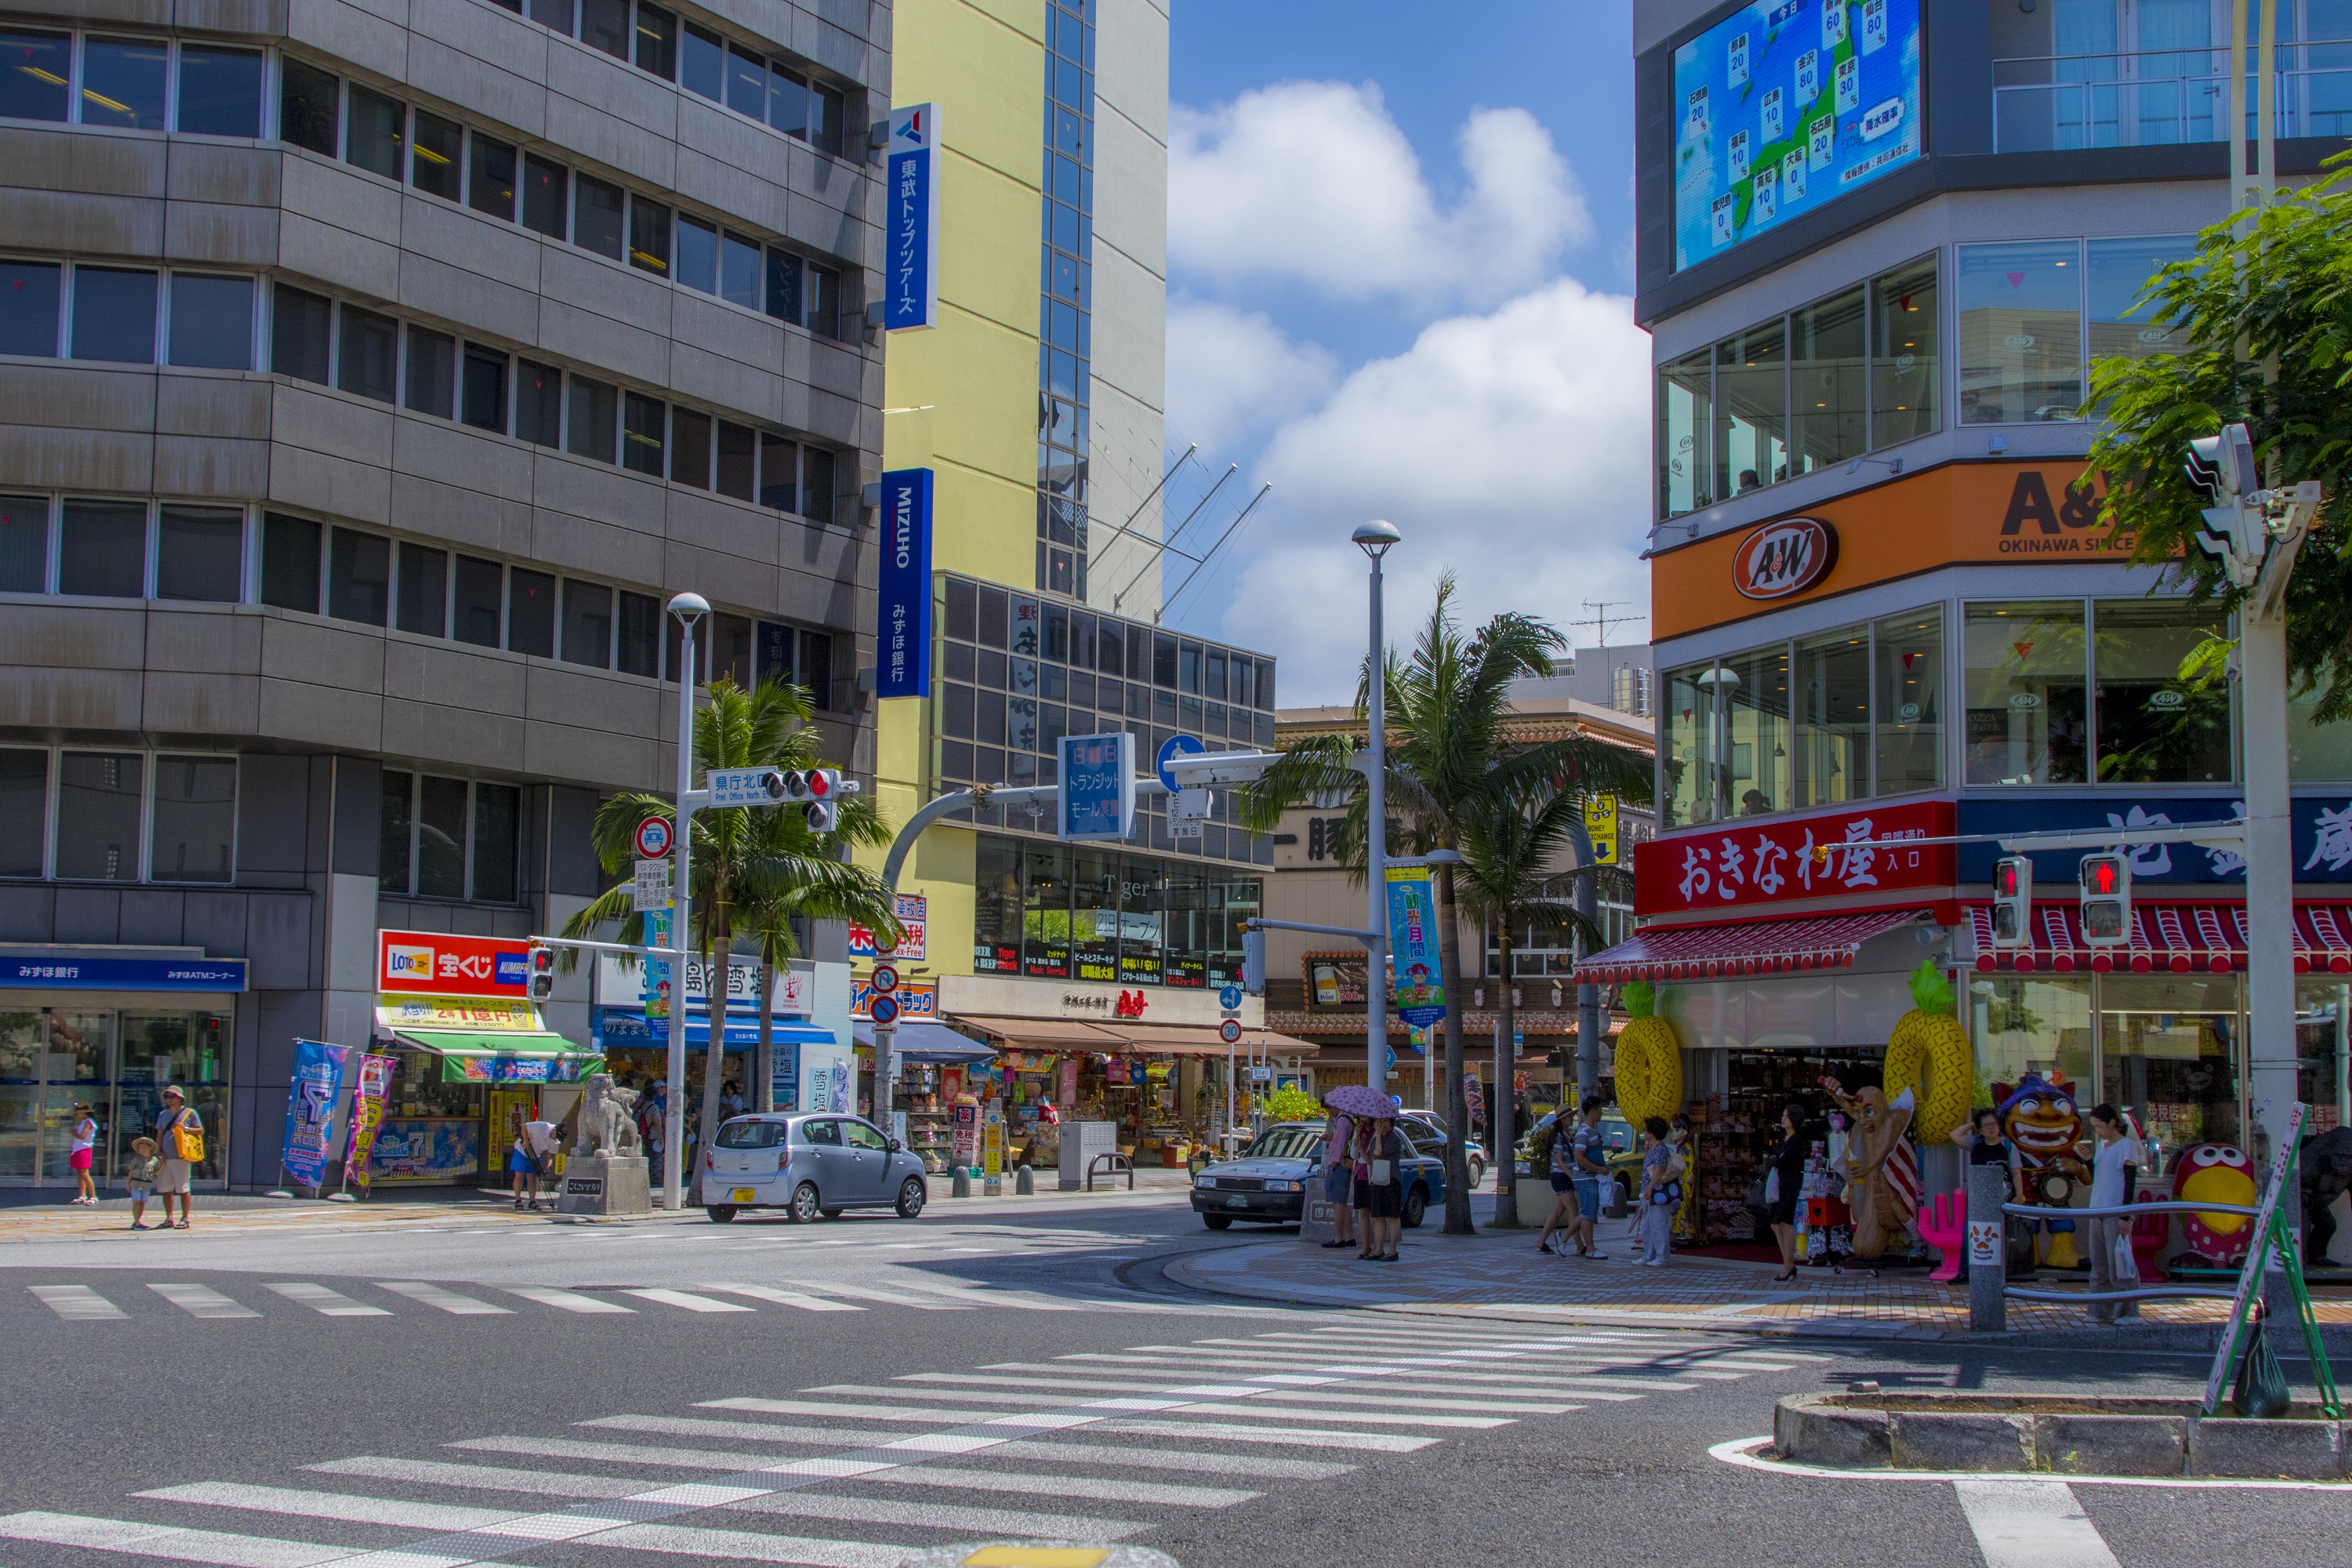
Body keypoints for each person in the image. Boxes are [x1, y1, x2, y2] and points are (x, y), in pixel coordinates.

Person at [2083, 1102, 2143, 1326]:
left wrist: (2126, 1215)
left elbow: (2130, 1181)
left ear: (2112, 1124)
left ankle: (2129, 1311)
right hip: (2097, 1209)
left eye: (2100, 1127)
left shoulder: (2126, 1146)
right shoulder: (2102, 1146)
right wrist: (2088, 1160)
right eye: (2095, 1127)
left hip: (2115, 1211)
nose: (2098, 1132)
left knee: (2119, 1261)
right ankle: (2101, 1309)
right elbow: (2097, 1176)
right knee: (2099, 1264)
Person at [1954, 1107, 2013, 1282]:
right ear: (1980, 1129)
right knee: (1969, 1233)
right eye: (1986, 1126)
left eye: (1993, 1124)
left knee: (1999, 1234)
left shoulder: (2008, 1145)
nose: (1991, 1128)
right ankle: (1965, 1272)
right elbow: (1954, 1136)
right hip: (1978, 1197)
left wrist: (2019, 1194)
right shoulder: (1974, 1143)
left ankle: (1999, 1273)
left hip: (2002, 1197)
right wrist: (1971, 1124)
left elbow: (2016, 1172)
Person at [1763, 1102, 1809, 1282]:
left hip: (1790, 1185)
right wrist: (1777, 1159)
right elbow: (1775, 1157)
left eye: (1787, 1116)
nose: (1783, 1119)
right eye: (1783, 1115)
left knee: (1785, 1222)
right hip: (1778, 1185)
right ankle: (1787, 1262)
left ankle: (1789, 1264)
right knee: (1775, 1223)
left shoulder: (1797, 1140)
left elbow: (1781, 1160)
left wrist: (1777, 1159)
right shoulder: (1783, 1138)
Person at [1568, 1097, 1612, 1259]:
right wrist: (1598, 1169)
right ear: (1593, 1111)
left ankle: (1564, 1238)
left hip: (1588, 1177)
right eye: (1600, 1110)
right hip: (1585, 1178)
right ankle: (1591, 1248)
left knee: (1588, 1212)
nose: (1601, 1114)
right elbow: (1579, 1157)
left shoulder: (1589, 1132)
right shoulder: (1584, 1132)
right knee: (1587, 1214)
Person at [1359, 1113, 1405, 1263]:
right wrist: (1359, 1147)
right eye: (1379, 1121)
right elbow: (1371, 1160)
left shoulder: (1394, 1138)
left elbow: (1380, 1153)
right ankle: (1378, 1249)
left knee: (1392, 1216)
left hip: (1391, 1180)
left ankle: (1393, 1250)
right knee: (1378, 1216)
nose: (1381, 1124)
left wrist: (1378, 1135)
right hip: (1377, 1180)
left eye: (1384, 1121)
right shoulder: (1377, 1138)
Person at [153, 1087, 200, 1229]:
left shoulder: (190, 1113)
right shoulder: (163, 1114)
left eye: (172, 1096)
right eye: (167, 1096)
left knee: (183, 1188)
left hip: (182, 1156)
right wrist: (158, 1151)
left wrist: (185, 1128)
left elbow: (200, 1130)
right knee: (165, 1189)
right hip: (166, 1158)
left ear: (180, 1098)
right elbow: (160, 1134)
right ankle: (169, 1218)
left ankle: (185, 1218)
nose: (169, 1099)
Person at [1637, 1116, 1680, 1267]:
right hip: (1651, 1193)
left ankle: (1662, 1256)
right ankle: (1649, 1254)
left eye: (1647, 1129)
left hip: (1657, 1193)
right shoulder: (1653, 1149)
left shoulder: (1660, 1149)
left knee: (1658, 1224)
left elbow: (1659, 1169)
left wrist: (1649, 1187)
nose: (1644, 1131)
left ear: (1653, 1132)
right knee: (1648, 1225)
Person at [1317, 1096, 1356, 1251]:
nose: (1328, 1113)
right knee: (1343, 1202)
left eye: (1327, 1109)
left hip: (1338, 1165)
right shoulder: (1348, 1118)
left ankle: (1339, 1237)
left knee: (1337, 1202)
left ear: (1332, 1107)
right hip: (1344, 1165)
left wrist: (1332, 1166)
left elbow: (1340, 1146)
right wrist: (1331, 1137)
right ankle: (1349, 1236)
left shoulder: (1342, 1120)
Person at [123, 1136, 159, 1230]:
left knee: (142, 1203)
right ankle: (137, 1223)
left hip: (146, 1185)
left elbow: (157, 1173)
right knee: (136, 1202)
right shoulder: (136, 1159)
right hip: (136, 1184)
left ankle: (137, 1221)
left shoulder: (154, 1160)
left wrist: (162, 1165)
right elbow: (131, 1172)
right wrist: (128, 1183)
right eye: (140, 1147)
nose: (141, 1149)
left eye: (143, 1147)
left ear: (150, 1147)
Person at [69, 1104, 99, 1204]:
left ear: (84, 1113)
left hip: (84, 1149)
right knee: (79, 1173)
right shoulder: (83, 1122)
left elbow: (82, 1136)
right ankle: (82, 1195)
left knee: (85, 1174)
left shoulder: (89, 1122)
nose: (78, 1116)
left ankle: (93, 1197)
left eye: (79, 1113)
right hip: (78, 1149)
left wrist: (73, 1133)